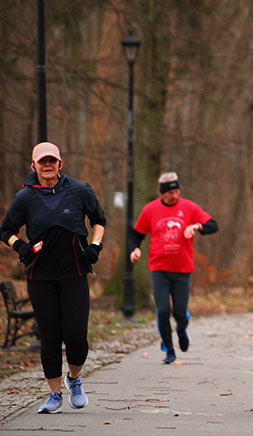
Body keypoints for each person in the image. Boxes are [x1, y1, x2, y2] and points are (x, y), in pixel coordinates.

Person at [0, 142, 106, 414]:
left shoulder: (79, 190)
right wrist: (19, 245)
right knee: (50, 335)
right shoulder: (25, 197)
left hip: (74, 272)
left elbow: (99, 220)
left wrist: (94, 246)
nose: (47, 165)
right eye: (42, 161)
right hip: (40, 275)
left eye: (52, 161)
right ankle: (54, 394)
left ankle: (74, 378)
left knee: (76, 335)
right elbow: (6, 230)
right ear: (33, 166)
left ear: (60, 164)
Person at [128, 172, 218, 364]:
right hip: (158, 268)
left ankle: (181, 328)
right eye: (170, 193)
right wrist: (134, 249)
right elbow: (136, 235)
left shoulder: (189, 207)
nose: (174, 196)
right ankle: (169, 350)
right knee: (162, 310)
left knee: (179, 312)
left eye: (177, 191)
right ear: (162, 193)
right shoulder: (150, 209)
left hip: (183, 269)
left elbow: (213, 225)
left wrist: (197, 227)